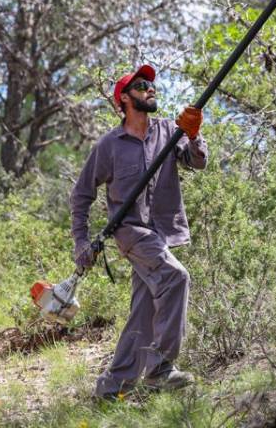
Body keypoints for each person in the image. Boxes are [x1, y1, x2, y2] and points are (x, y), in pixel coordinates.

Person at [70, 63, 207, 397]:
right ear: (125, 99)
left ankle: (111, 388)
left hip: (162, 233)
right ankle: (161, 370)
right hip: (132, 233)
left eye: (151, 84)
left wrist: (193, 135)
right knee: (177, 277)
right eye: (142, 85)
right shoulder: (109, 146)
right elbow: (81, 195)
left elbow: (198, 162)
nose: (151, 89)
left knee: (143, 313)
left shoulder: (167, 131)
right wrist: (81, 242)